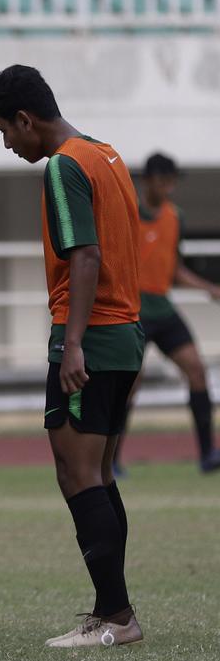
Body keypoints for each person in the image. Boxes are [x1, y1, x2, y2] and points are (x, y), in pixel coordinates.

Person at [0, 64, 144, 647]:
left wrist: (71, 342)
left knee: (76, 472)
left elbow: (87, 256)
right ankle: (113, 609)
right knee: (97, 473)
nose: (7, 143)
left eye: (4, 130)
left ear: (25, 119)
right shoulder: (109, 155)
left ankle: (118, 618)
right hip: (125, 333)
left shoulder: (64, 166)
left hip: (91, 335)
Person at [114, 153, 220, 475]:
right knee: (131, 382)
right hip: (134, 308)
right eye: (163, 181)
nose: (168, 187)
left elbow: (174, 269)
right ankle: (111, 461)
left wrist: (209, 287)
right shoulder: (128, 213)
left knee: (197, 370)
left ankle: (207, 454)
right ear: (147, 181)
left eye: (172, 181)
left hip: (163, 307)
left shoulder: (176, 217)